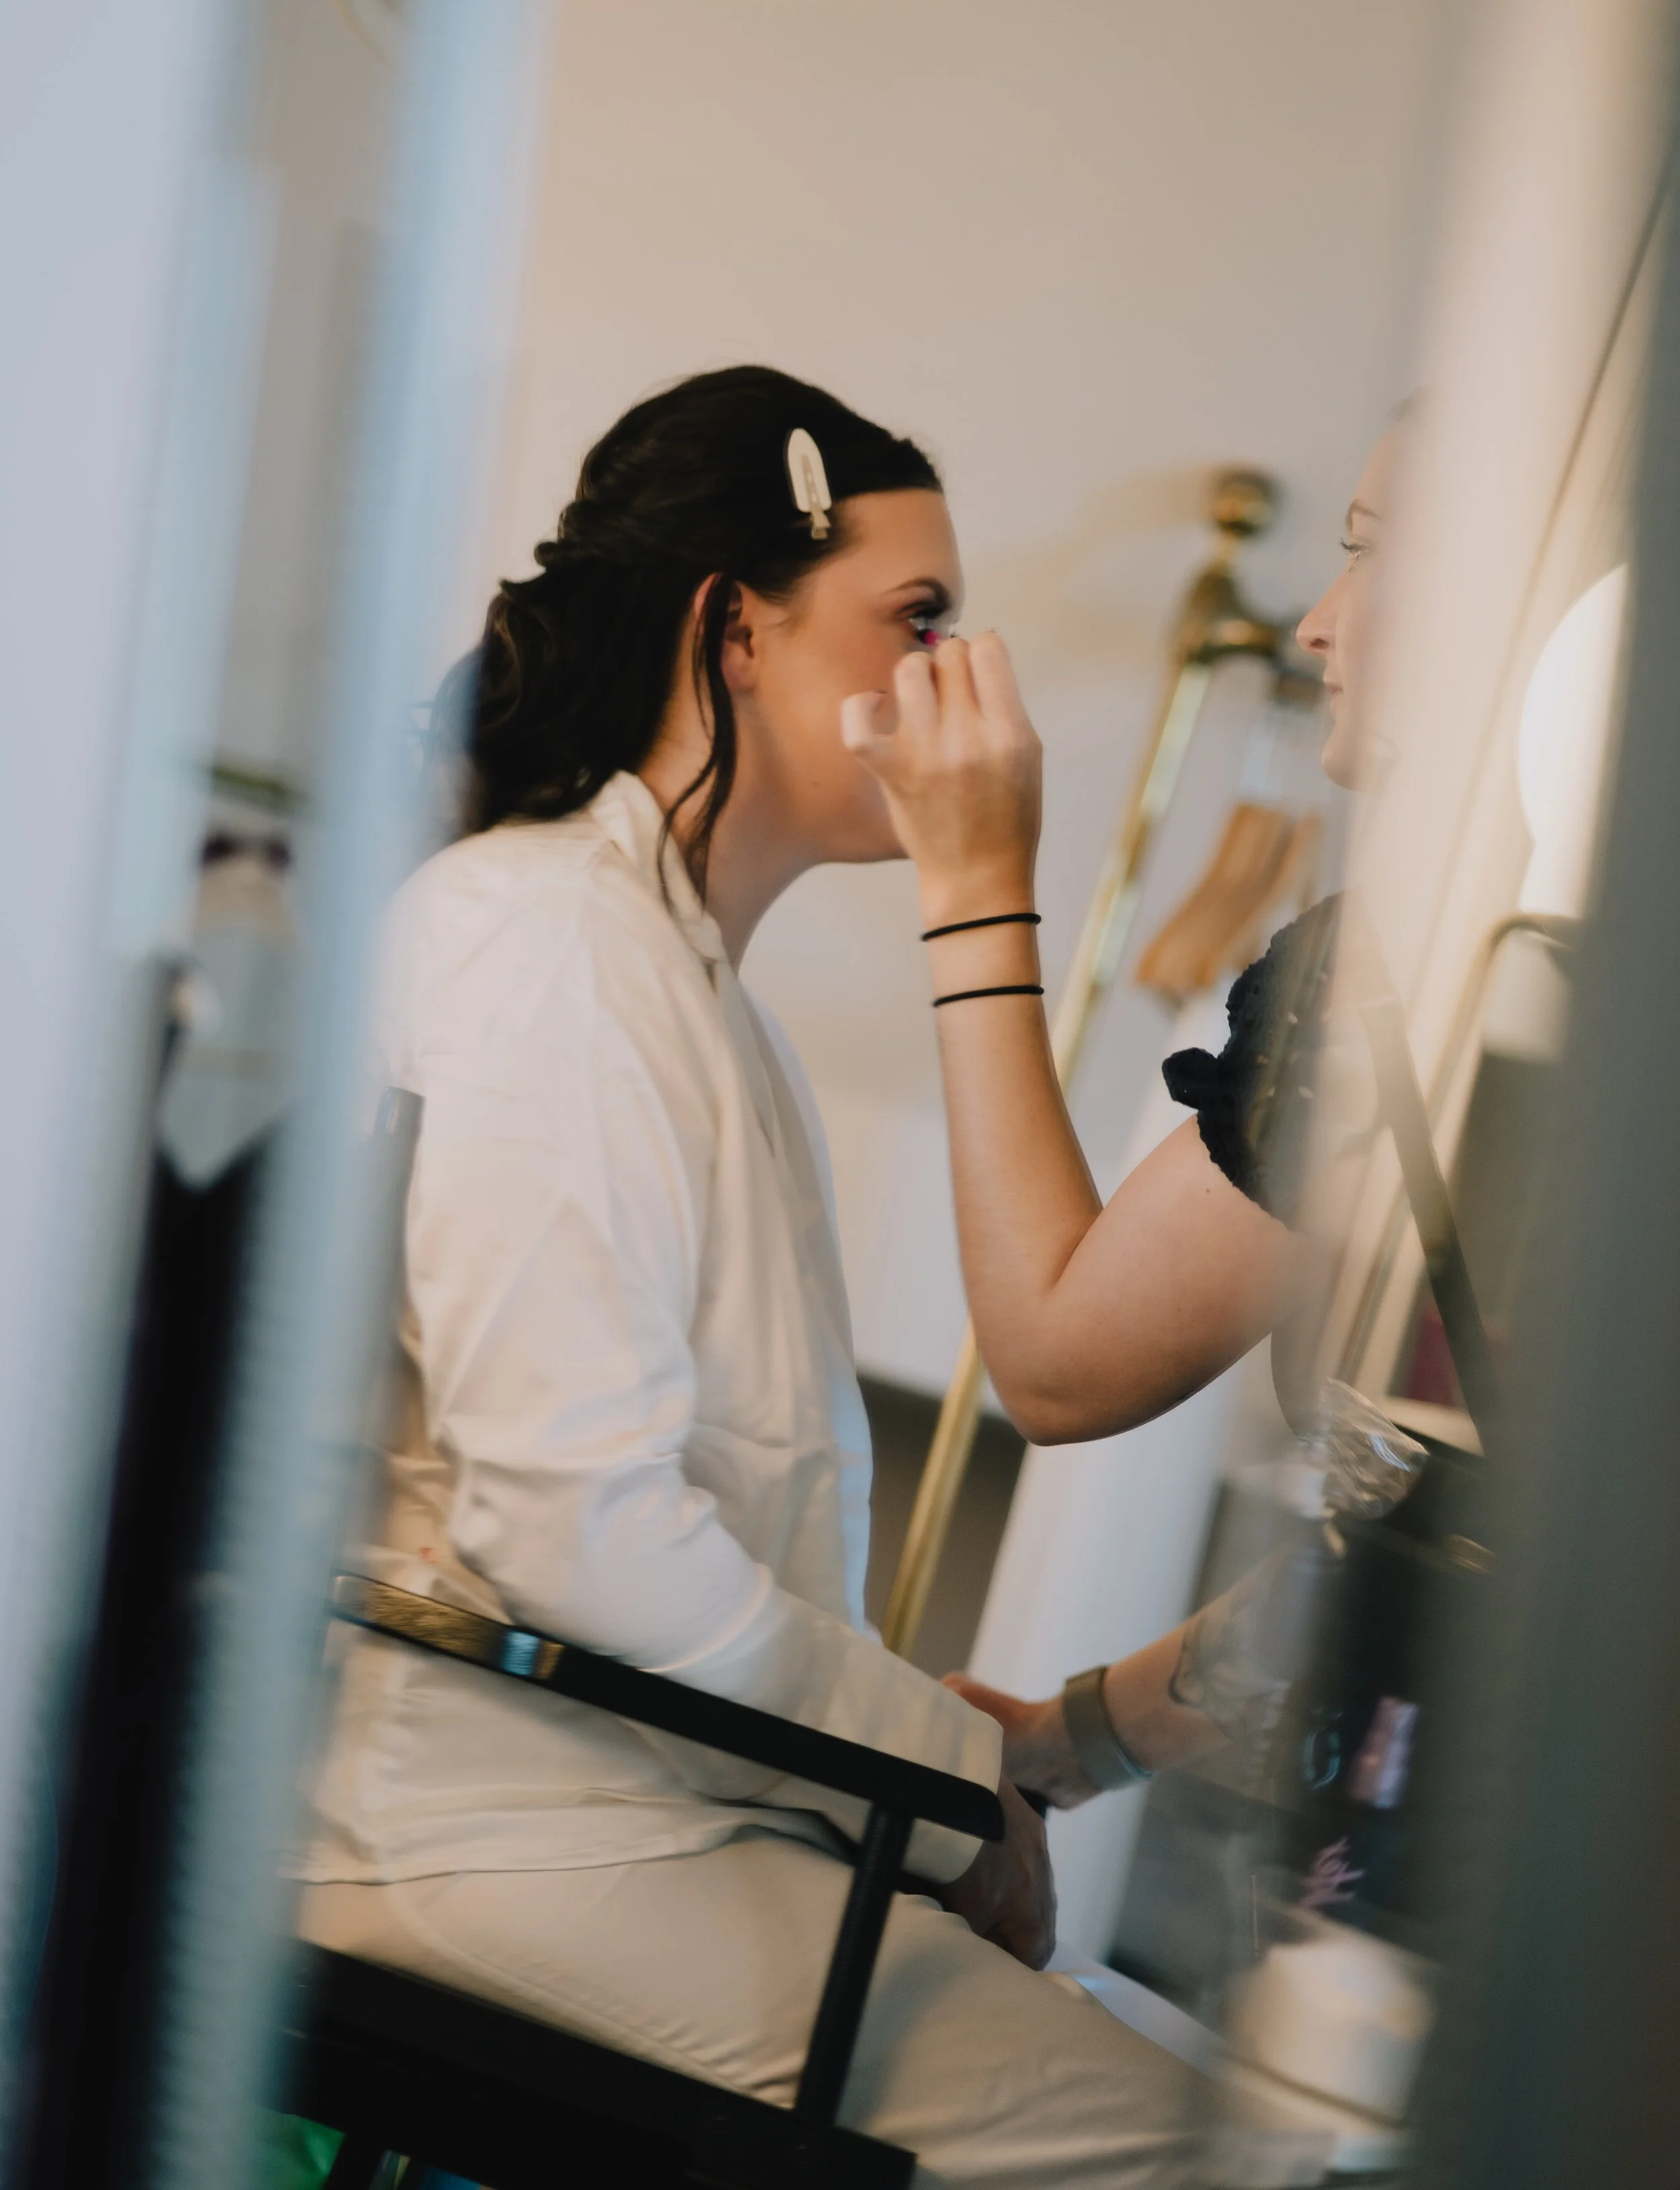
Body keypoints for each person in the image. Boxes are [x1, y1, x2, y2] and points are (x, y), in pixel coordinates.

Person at [292, 367, 1195, 2188]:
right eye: (914, 616)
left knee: (1167, 2074)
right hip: (503, 1829)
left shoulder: (703, 1004)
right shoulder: (542, 936)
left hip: (656, 1807)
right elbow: (583, 1533)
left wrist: (944, 1778)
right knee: (1186, 2153)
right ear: (735, 627)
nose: (961, 676)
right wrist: (944, 1786)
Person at [841, 423, 1395, 1795]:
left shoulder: (1404, 977)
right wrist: (1062, 1743)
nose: (1316, 628)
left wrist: (971, 883)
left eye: (1366, 554)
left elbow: (1058, 1365)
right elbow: (1410, 1541)